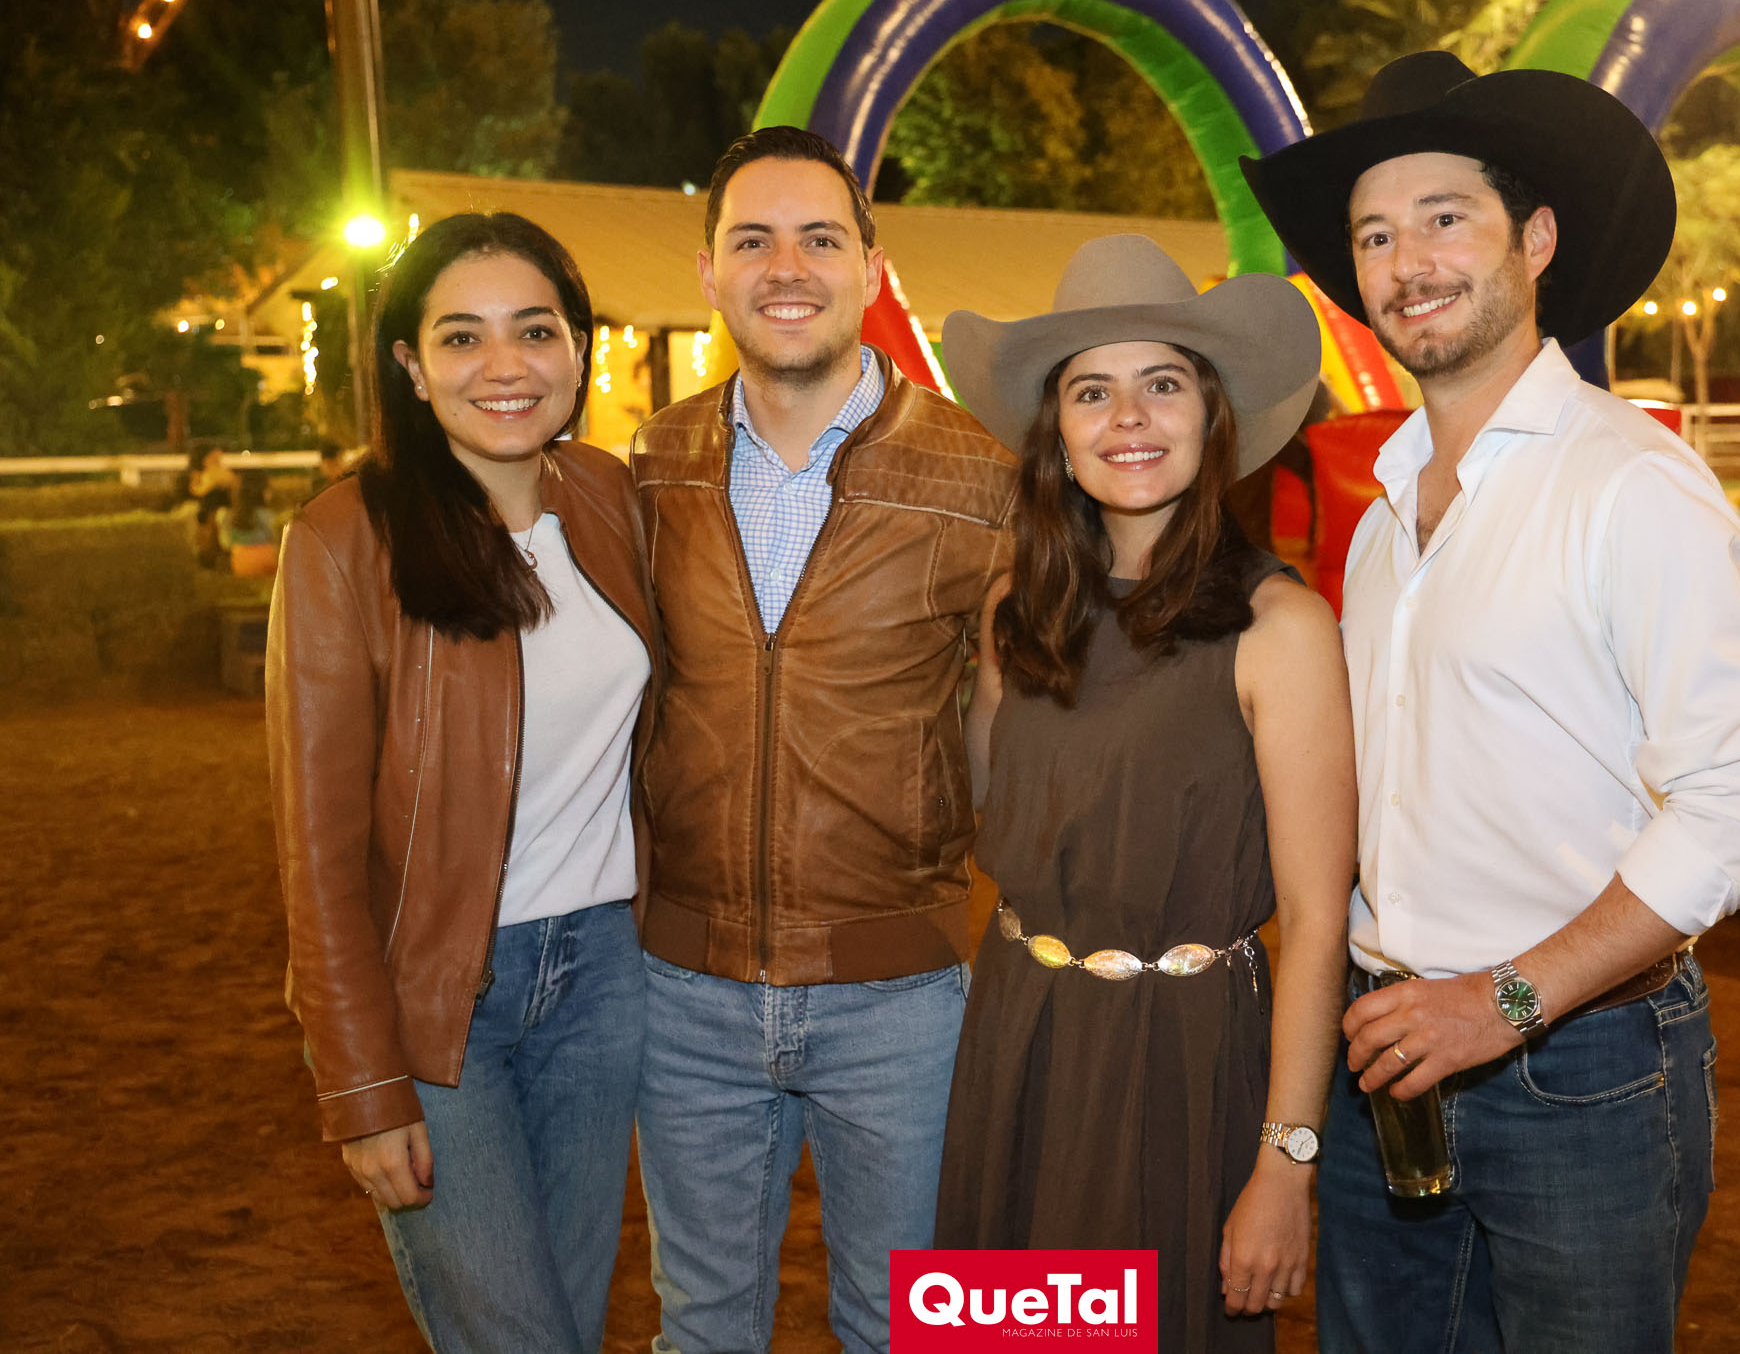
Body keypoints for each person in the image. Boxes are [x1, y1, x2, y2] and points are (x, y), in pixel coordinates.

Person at [1242, 52, 1740, 1353]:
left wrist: (1501, 1000)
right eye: (1375, 235)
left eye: (1444, 217)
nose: (1408, 262)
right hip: (1385, 1057)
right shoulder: (1381, 519)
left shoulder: (1630, 484)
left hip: (1581, 1074)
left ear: (1534, 239)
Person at [630, 126, 1016, 1354]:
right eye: (752, 240)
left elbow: (1020, 726)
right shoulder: (643, 469)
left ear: (869, 265)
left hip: (898, 999)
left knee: (908, 1331)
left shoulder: (979, 478)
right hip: (681, 991)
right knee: (701, 1332)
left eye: (818, 238)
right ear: (708, 271)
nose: (785, 267)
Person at [935, 234, 1356, 1351]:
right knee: (1005, 1339)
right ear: (1058, 433)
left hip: (1184, 1063)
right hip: (1016, 1042)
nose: (1128, 417)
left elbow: (1318, 922)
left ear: (1212, 415)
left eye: (1162, 383)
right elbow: (990, 810)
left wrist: (1286, 1164)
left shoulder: (1281, 628)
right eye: (1092, 391)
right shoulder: (1015, 609)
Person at [265, 211, 657, 1354]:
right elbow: (316, 853)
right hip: (439, 1007)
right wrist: (361, 1087)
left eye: (534, 330)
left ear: (578, 347)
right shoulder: (344, 540)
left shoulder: (612, 499)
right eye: (460, 336)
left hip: (606, 982)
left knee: (569, 1323)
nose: (504, 366)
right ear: (409, 363)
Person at [219, 467, 280, 577]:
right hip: (268, 563)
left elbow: (225, 543)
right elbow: (275, 538)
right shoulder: (266, 515)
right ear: (261, 491)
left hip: (239, 565)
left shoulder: (230, 515)